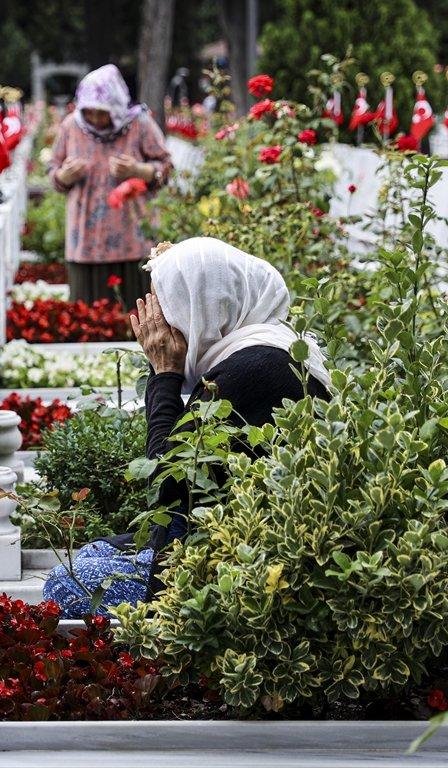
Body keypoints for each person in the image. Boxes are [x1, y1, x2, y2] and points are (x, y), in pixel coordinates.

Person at [42, 238, 332, 618]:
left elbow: (165, 483)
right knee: (93, 551)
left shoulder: (253, 370)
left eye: (170, 308)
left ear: (204, 307)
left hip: (227, 569)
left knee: (64, 584)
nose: (162, 325)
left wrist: (165, 372)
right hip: (207, 534)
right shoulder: (264, 348)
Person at [48, 65, 172, 304]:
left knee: (136, 309)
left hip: (133, 239)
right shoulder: (71, 126)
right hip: (86, 242)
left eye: (102, 113)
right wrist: (64, 176)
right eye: (89, 112)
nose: (95, 119)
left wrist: (138, 170)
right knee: (88, 312)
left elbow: (166, 168)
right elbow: (53, 169)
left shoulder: (139, 124)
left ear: (115, 107)